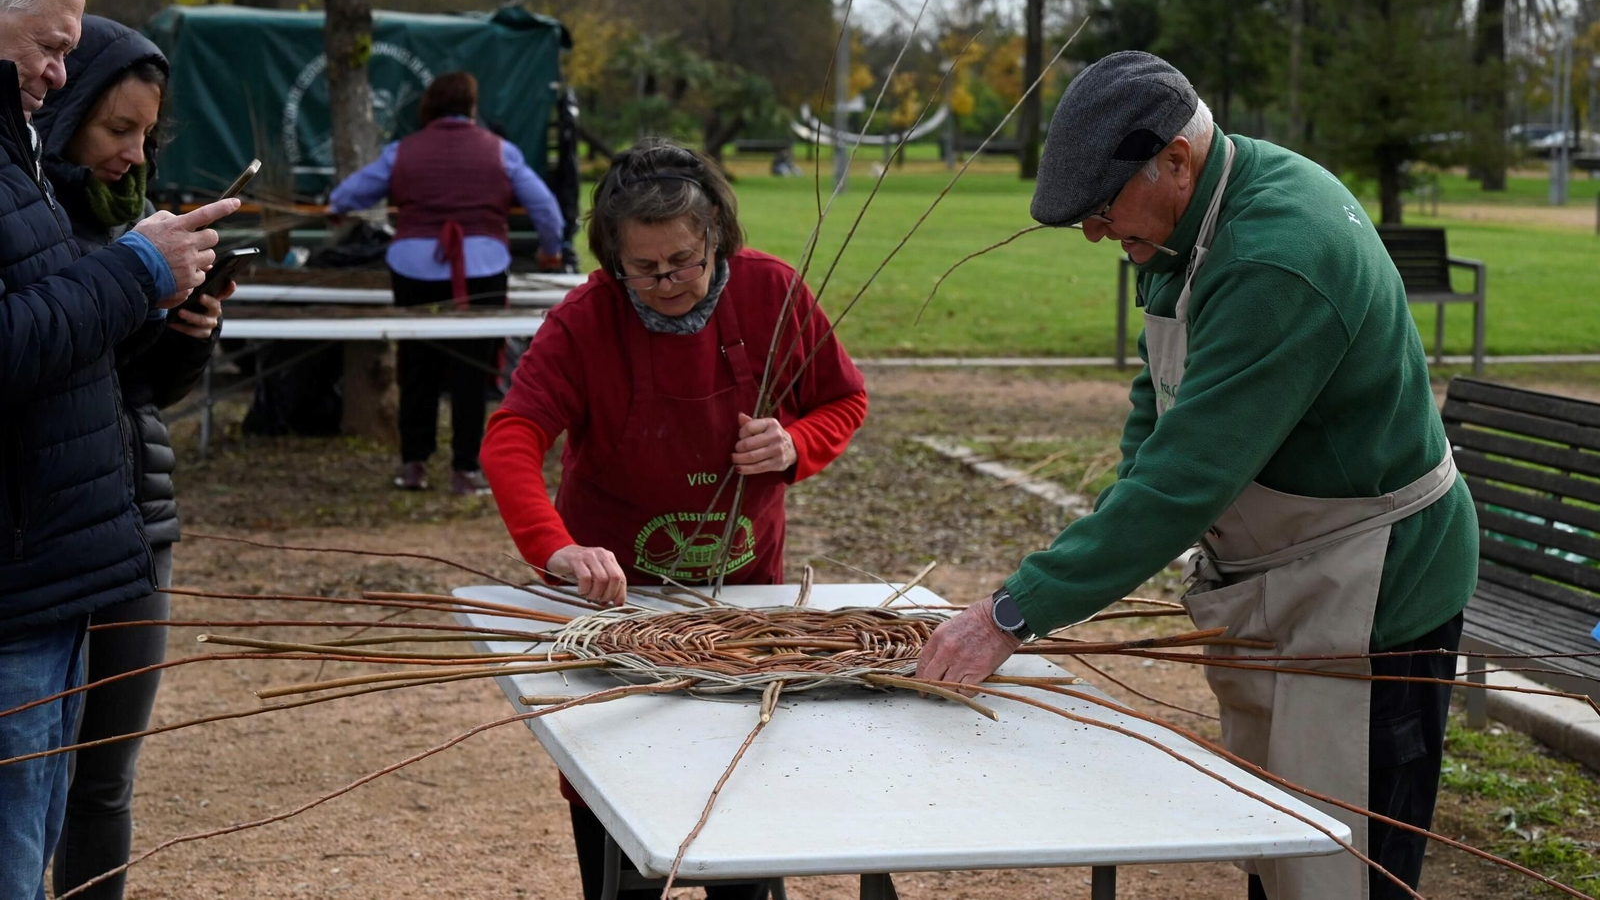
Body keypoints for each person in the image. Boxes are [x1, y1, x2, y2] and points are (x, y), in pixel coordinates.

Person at [916, 51, 1479, 900]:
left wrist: (1012, 611)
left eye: (1102, 210)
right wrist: (1113, 515)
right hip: (1287, 575)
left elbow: (1186, 478)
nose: (1098, 234)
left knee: (1344, 867)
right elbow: (1160, 402)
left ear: (1175, 160)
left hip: (1370, 588)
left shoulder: (1277, 257)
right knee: (1278, 838)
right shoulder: (1188, 227)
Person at [481, 141, 869, 900]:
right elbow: (512, 437)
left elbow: (843, 400)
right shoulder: (583, 320)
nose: (668, 284)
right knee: (615, 791)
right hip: (614, 608)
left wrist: (797, 443)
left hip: (743, 603)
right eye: (645, 269)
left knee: (741, 793)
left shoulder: (772, 292)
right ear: (612, 259)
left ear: (717, 237)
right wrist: (555, 548)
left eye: (685, 262)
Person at [0, 0, 239, 900]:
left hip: (96, 539)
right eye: (52, 47)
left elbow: (106, 382)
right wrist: (136, 273)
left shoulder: (32, 186)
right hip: (34, 565)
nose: (134, 153)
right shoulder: (37, 187)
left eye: (148, 133)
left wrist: (175, 325)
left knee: (87, 789)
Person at [327, 71, 565, 495]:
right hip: (482, 266)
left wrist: (338, 208)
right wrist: (551, 250)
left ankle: (413, 465)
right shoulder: (501, 152)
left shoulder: (403, 151)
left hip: (413, 267)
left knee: (416, 364)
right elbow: (545, 209)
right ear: (471, 108)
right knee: (471, 371)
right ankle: (465, 470)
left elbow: (349, 194)